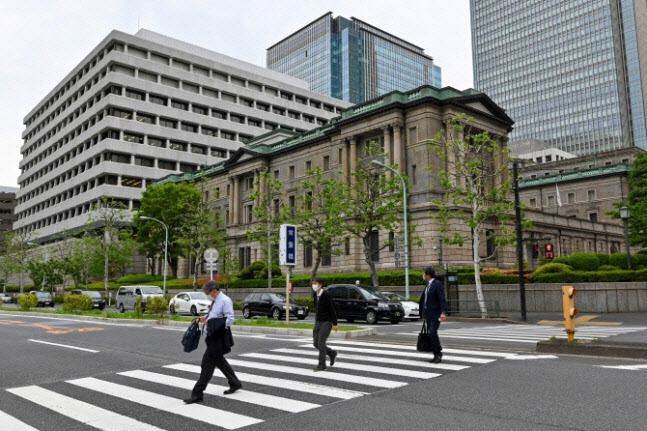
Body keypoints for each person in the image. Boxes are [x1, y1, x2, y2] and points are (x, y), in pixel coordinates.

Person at [184, 281, 241, 404]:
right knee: (220, 361)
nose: (207, 295)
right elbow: (213, 316)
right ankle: (235, 383)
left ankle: (197, 394)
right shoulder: (215, 300)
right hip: (211, 337)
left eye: (207, 293)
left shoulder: (225, 300)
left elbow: (230, 319)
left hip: (218, 338)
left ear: (214, 290)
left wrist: (212, 323)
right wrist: (202, 318)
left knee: (206, 365)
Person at [420, 266, 447, 363]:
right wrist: (424, 315)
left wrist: (443, 312)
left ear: (428, 274)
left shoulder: (437, 284)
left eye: (424, 273)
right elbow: (425, 301)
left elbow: (441, 298)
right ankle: (437, 353)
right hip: (429, 315)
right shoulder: (428, 286)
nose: (423, 275)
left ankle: (438, 353)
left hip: (435, 314)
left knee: (432, 333)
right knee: (432, 334)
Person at [312, 276, 338, 371]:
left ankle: (322, 365)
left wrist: (335, 323)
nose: (313, 285)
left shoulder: (326, 295)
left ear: (320, 284)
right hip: (318, 321)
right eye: (313, 283)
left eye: (315, 283)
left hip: (327, 321)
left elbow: (332, 309)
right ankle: (331, 353)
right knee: (315, 343)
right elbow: (317, 308)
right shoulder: (315, 294)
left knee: (321, 343)